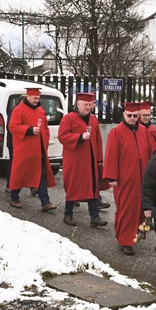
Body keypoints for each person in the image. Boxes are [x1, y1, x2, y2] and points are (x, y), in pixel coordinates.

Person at [103, 102, 151, 255]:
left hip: (142, 177)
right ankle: (125, 240)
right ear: (124, 115)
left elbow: (150, 153)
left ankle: (135, 235)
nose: (132, 118)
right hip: (124, 179)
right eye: (129, 115)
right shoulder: (116, 132)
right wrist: (112, 176)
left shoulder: (144, 131)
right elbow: (111, 154)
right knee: (126, 209)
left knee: (140, 209)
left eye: (135, 116)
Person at [58, 92, 107, 228]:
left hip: (90, 160)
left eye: (90, 105)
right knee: (73, 186)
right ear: (78, 104)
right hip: (75, 160)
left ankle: (94, 217)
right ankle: (68, 214)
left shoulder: (93, 119)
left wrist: (99, 159)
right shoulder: (68, 118)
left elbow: (97, 140)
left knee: (92, 186)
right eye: (85, 105)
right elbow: (62, 136)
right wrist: (79, 137)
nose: (88, 107)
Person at [8, 87, 57, 211]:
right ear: (28, 97)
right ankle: (14, 196)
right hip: (24, 149)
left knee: (41, 175)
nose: (36, 100)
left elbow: (45, 128)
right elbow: (13, 127)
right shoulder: (18, 110)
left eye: (38, 98)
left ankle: (45, 202)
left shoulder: (40, 110)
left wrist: (44, 141)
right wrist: (29, 130)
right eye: (34, 98)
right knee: (20, 173)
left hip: (38, 150)